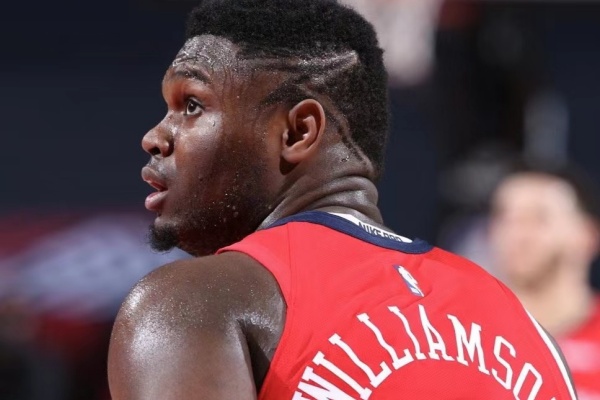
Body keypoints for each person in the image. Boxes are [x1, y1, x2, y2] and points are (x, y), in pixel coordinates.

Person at [108, 1, 577, 398]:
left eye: (191, 105)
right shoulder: (523, 328)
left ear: (298, 131)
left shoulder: (193, 303)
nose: (155, 137)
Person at [488, 160, 600, 400]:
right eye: (506, 217)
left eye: (539, 218)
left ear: (587, 236)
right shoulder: (466, 336)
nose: (517, 233)